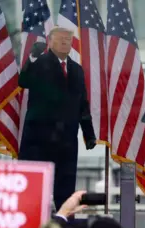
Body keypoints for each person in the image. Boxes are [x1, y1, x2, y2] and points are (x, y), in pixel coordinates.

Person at [18, 26, 97, 211]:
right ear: (50, 41)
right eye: (60, 39)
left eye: (68, 39)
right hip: (39, 140)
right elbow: (23, 81)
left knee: (65, 191)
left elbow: (82, 104)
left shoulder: (77, 70)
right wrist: (31, 58)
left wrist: (89, 134)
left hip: (66, 141)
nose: (64, 42)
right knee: (34, 189)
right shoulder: (39, 63)